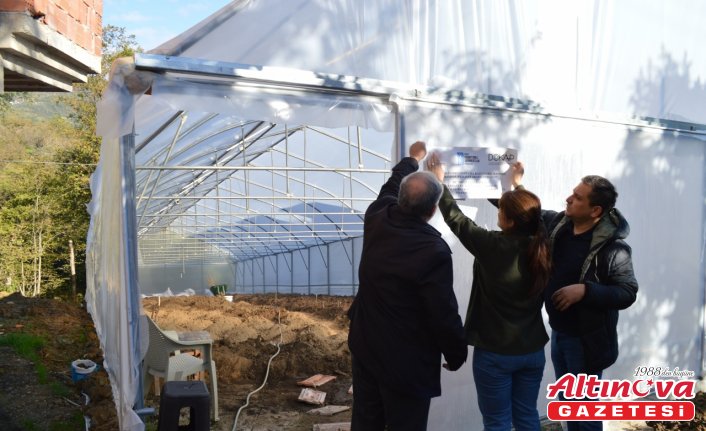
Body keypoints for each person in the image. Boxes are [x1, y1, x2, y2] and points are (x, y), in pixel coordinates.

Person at [425, 152, 551, 431]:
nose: (498, 212)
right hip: (532, 351)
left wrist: (439, 184)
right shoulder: (543, 243)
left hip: (496, 353)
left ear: (509, 220)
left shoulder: (493, 246)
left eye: (502, 210)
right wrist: (516, 186)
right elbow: (535, 219)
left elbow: (457, 220)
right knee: (527, 417)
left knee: (496, 423)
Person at [347, 141, 468, 431]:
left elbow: (390, 186)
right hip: (407, 361)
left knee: (366, 419)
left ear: (400, 199)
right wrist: (456, 352)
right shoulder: (433, 250)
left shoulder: (377, 217)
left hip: (367, 344)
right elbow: (441, 312)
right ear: (433, 209)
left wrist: (413, 159)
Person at [512, 162, 638, 431]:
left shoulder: (614, 249)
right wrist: (515, 186)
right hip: (560, 332)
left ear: (595, 210)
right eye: (573, 193)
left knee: (584, 411)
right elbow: (526, 213)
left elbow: (627, 292)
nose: (569, 199)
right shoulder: (560, 224)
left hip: (587, 340)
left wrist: (585, 290)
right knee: (569, 404)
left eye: (578, 197)